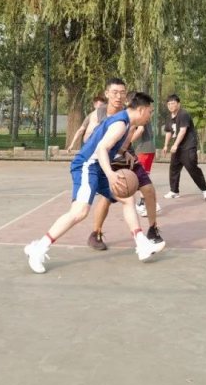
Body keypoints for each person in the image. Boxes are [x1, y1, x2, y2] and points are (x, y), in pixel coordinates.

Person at [23, 91, 165, 273]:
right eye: (150, 112)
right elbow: (102, 149)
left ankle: (142, 244)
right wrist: (111, 174)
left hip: (98, 167)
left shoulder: (125, 122)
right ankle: (38, 248)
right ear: (141, 110)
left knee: (127, 198)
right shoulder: (121, 124)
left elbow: (108, 145)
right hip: (87, 166)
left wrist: (123, 154)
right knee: (79, 212)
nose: (150, 116)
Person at [82, 80, 163, 251]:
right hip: (108, 158)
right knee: (108, 197)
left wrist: (124, 150)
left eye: (122, 93)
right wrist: (101, 138)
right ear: (107, 94)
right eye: (115, 92)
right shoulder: (99, 113)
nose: (118, 96)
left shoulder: (129, 112)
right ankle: (96, 233)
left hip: (126, 155)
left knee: (149, 190)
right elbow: (88, 138)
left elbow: (134, 130)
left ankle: (152, 229)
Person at [161, 94, 206, 200]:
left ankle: (205, 190)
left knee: (192, 168)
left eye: (173, 103)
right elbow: (168, 132)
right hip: (177, 148)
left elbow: (183, 131)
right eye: (169, 104)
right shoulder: (169, 117)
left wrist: (175, 145)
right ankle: (174, 191)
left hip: (188, 147)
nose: (170, 106)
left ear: (178, 104)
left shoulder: (183, 114)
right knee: (173, 169)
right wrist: (165, 145)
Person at [131, 120, 160, 217]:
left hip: (143, 149)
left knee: (142, 179)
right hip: (147, 149)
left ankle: (151, 204)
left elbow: (140, 129)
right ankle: (144, 203)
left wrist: (129, 141)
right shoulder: (144, 116)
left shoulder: (139, 116)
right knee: (144, 177)